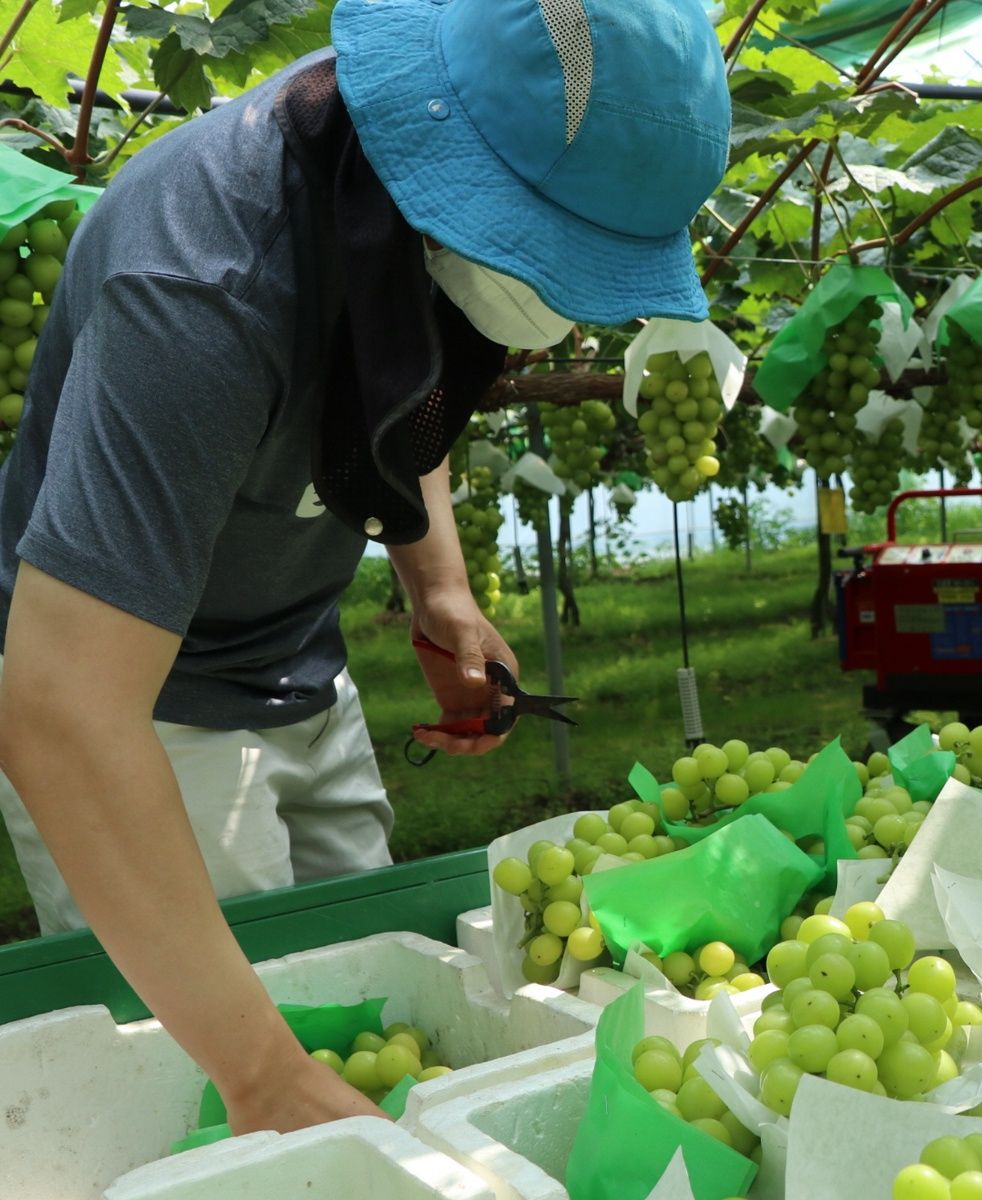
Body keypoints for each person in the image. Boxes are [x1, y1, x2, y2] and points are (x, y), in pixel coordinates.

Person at [0, 0, 728, 1137]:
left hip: (298, 662)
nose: (574, 307)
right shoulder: (199, 286)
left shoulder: (389, 170)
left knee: (354, 995)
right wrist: (259, 1078)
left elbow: (395, 386)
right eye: (548, 252)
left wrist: (437, 588)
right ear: (445, 170)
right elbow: (61, 710)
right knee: (233, 1072)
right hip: (144, 713)